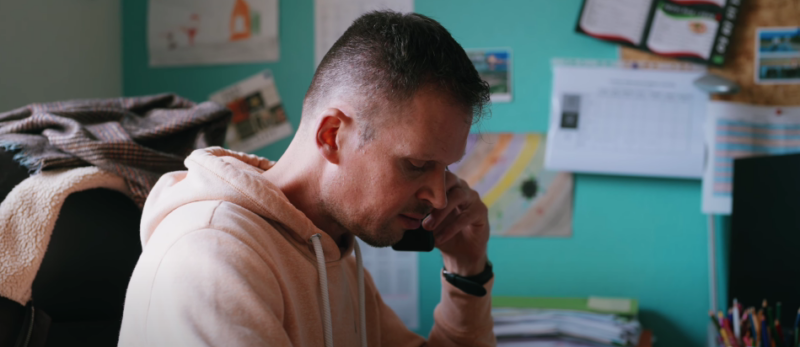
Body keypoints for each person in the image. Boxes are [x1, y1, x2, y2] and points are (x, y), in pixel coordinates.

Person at [118, 11, 494, 347]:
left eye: (443, 169)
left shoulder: (335, 253)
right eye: (415, 164)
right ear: (332, 135)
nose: (439, 198)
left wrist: (467, 275)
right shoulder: (210, 256)